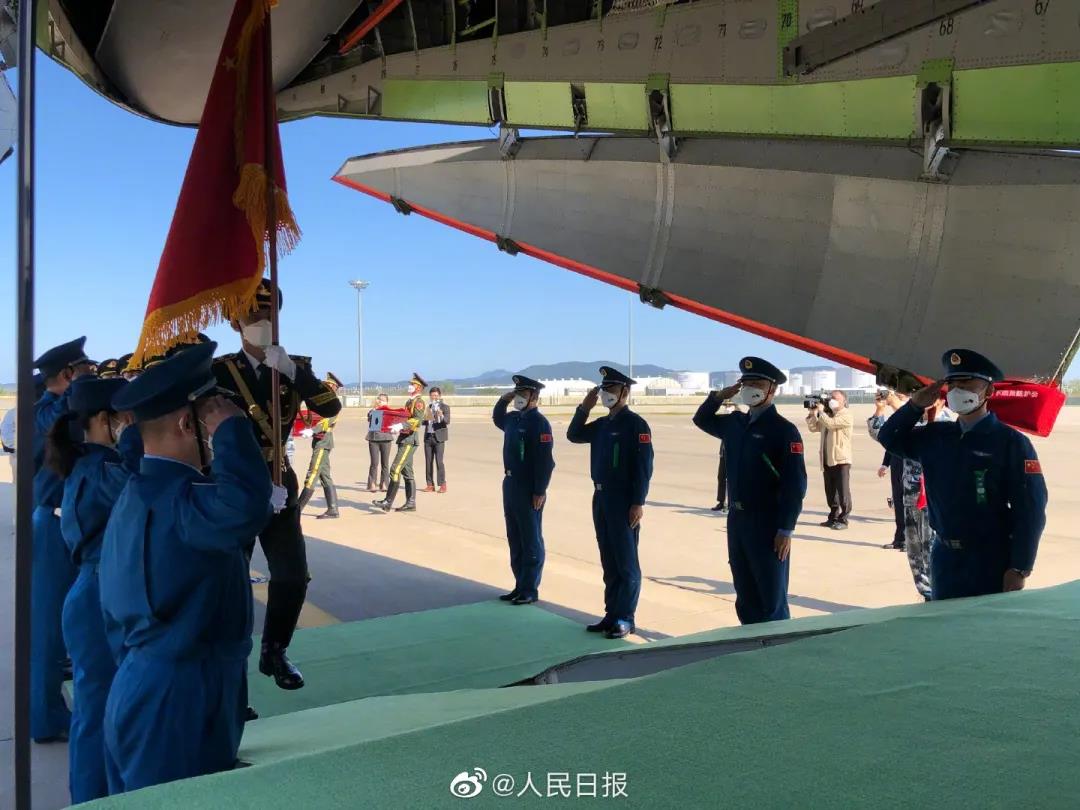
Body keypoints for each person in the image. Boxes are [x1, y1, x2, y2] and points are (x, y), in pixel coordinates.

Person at [99, 341, 277, 794]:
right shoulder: (184, 502)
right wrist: (234, 432)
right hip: (181, 696)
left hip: (145, 679)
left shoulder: (141, 490)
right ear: (186, 424)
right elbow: (246, 507)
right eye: (209, 419)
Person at [213, 279, 342, 690]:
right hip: (232, 480)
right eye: (253, 315)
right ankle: (228, 670)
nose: (262, 322)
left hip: (278, 479)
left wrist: (292, 372)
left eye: (269, 314)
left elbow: (330, 407)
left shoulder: (293, 366)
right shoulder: (219, 371)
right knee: (228, 579)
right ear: (235, 323)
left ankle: (275, 650)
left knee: (292, 574)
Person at [877, 349, 1048, 600]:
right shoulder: (936, 437)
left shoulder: (1010, 442)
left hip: (990, 560)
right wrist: (914, 406)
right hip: (945, 559)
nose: (958, 390)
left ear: (989, 391)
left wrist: (1020, 567)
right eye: (953, 384)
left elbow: (1031, 510)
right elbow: (889, 438)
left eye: (967, 383)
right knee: (946, 623)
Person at [45, 376, 141, 802]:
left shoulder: (89, 463)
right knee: (98, 711)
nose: (132, 423)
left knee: (97, 707)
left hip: (95, 591)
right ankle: (90, 799)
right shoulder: (102, 469)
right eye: (126, 417)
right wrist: (136, 440)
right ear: (105, 420)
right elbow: (143, 486)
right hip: (98, 595)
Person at [693, 357, 807, 625]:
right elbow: (701, 419)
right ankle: (750, 641)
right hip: (737, 520)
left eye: (757, 383)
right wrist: (718, 397)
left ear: (772, 390)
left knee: (771, 595)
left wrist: (786, 529)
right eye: (746, 383)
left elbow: (795, 484)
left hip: (767, 523)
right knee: (745, 593)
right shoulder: (734, 423)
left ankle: (778, 645)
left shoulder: (784, 430)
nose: (750, 388)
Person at [31, 336, 96, 743]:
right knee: (49, 628)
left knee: (70, 623)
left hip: (69, 522)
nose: (92, 374)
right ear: (69, 373)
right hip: (52, 526)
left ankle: (51, 712)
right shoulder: (45, 409)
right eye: (85, 369)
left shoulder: (66, 405)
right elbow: (56, 420)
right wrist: (80, 387)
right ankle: (45, 716)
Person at [566, 366, 653, 639]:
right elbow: (574, 434)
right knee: (609, 560)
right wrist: (584, 408)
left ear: (625, 392)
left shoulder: (636, 424)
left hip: (623, 500)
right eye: (604, 389)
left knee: (626, 562)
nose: (606, 394)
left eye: (611, 389)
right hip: (601, 497)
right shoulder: (603, 424)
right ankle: (612, 613)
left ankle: (626, 617)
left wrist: (638, 502)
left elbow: (643, 467)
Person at [493, 375, 556, 605]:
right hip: (510, 483)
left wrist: (540, 490)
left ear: (534, 397)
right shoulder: (512, 419)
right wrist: (504, 399)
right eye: (517, 393)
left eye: (523, 394)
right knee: (515, 537)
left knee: (530, 539)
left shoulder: (539, 423)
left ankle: (530, 588)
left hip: (529, 486)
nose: (519, 397)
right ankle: (519, 585)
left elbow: (545, 461)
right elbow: (497, 418)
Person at [373, 373, 427, 513]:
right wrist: (397, 427)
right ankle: (411, 503)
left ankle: (388, 501)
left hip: (410, 440)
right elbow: (405, 417)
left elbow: (417, 420)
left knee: (395, 469)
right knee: (406, 471)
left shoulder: (419, 402)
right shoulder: (410, 401)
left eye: (412, 384)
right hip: (404, 438)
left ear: (418, 387)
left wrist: (401, 426)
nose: (410, 386)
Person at [805, 390, 854, 530]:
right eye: (831, 398)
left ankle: (844, 519)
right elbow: (814, 428)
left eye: (835, 398)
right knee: (830, 491)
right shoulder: (827, 415)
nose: (832, 400)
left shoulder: (846, 415)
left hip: (841, 459)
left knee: (843, 491)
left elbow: (831, 424)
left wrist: (821, 412)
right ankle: (833, 517)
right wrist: (812, 414)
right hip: (827, 459)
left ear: (844, 401)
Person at [298, 372, 343, 520]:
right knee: (325, 476)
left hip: (323, 441)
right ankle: (333, 509)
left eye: (329, 385)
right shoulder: (323, 403)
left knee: (312, 474)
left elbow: (325, 422)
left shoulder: (334, 404)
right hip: (319, 440)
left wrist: (312, 430)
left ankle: (297, 509)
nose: (325, 387)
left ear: (334, 387)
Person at [423, 386, 451, 493]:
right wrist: (424, 416)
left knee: (439, 461)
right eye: (432, 395)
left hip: (439, 438)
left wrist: (441, 415)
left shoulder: (445, 407)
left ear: (439, 396)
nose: (434, 397)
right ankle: (430, 484)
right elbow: (425, 422)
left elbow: (447, 421)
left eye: (436, 395)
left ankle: (442, 484)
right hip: (428, 437)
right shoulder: (428, 407)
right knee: (428, 462)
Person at [365, 393, 392, 492]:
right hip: (374, 439)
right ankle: (372, 484)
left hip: (386, 438)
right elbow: (369, 418)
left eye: (383, 400)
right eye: (379, 399)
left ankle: (384, 484)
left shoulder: (389, 412)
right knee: (374, 462)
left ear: (387, 402)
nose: (380, 401)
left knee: (385, 463)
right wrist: (374, 409)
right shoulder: (373, 411)